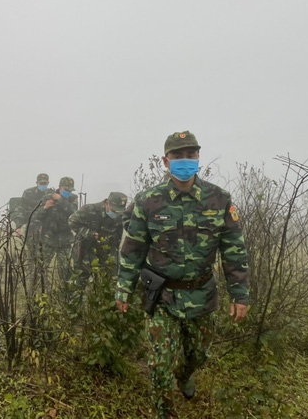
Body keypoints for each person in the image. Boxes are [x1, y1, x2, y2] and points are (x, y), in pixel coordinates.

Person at [116, 130, 250, 419]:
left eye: (191, 155)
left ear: (199, 158)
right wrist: (123, 288)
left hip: (203, 295)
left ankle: (185, 374)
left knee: (197, 355)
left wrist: (240, 294)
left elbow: (233, 249)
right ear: (166, 161)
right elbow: (133, 249)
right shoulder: (148, 200)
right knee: (159, 364)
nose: (185, 161)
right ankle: (165, 412)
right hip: (163, 296)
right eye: (178, 156)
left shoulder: (219, 199)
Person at [69, 192, 128, 288]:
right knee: (79, 282)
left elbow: (118, 235)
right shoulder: (90, 209)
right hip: (86, 250)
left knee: (113, 279)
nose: (116, 213)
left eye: (119, 211)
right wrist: (89, 234)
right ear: (107, 203)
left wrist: (115, 252)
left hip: (107, 252)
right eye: (114, 210)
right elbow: (72, 221)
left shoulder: (120, 215)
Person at [35, 176, 78, 284]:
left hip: (65, 240)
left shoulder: (73, 198)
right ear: (60, 187)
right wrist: (45, 207)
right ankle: (37, 293)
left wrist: (60, 199)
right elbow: (37, 215)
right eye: (66, 189)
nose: (68, 192)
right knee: (41, 268)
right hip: (48, 238)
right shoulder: (48, 196)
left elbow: (73, 212)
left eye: (70, 190)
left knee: (66, 269)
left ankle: (66, 294)